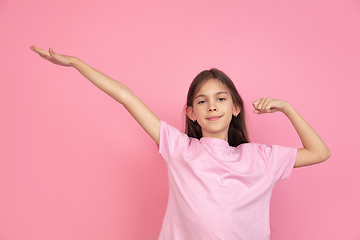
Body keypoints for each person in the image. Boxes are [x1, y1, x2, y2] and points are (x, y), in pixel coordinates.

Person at [30, 45, 331, 240]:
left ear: (235, 107)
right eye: (202, 101)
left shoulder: (260, 158)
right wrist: (76, 63)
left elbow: (320, 152)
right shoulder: (179, 148)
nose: (212, 106)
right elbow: (126, 97)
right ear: (192, 112)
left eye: (221, 99)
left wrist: (287, 108)